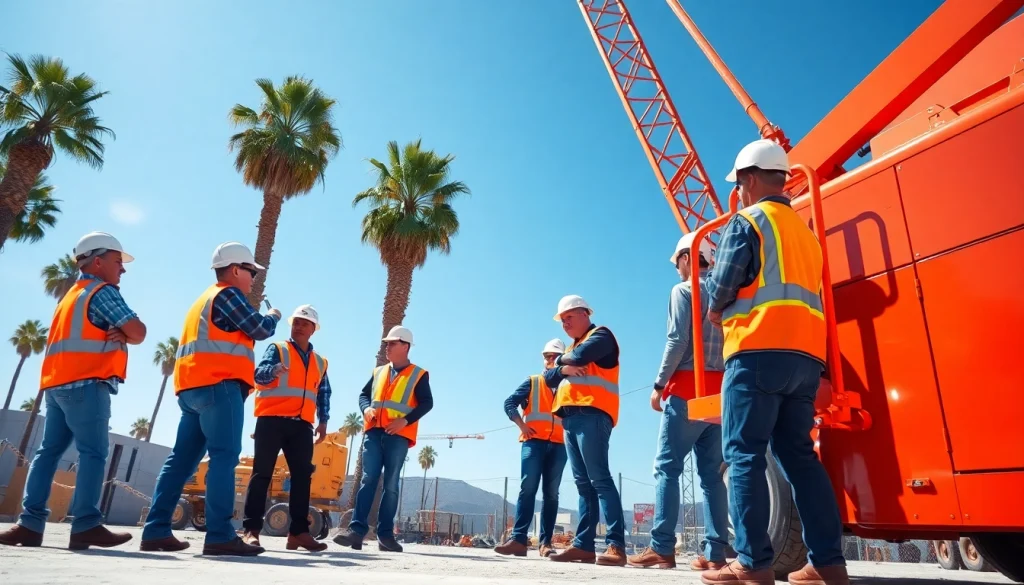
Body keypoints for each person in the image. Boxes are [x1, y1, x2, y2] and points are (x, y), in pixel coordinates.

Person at [700, 139, 847, 585]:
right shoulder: (806, 233)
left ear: (746, 180)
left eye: (739, 184)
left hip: (757, 351)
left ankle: (752, 564)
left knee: (743, 455)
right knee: (800, 457)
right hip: (805, 358)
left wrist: (713, 304)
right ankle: (828, 564)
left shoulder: (748, 221)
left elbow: (722, 285)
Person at [0, 232, 146, 550]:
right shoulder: (102, 291)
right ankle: (86, 525)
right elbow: (138, 332)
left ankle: (29, 525)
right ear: (97, 261)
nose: (122, 269)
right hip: (87, 383)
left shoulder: (70, 296)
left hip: (56, 385)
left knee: (47, 453)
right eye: (118, 261)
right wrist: (123, 331)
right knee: (93, 453)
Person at [140, 242, 281, 556]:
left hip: (192, 390)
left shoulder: (202, 301)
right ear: (234, 270)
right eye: (250, 271)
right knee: (224, 458)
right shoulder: (228, 295)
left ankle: (156, 530)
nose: (254, 279)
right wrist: (273, 316)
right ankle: (219, 535)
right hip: (220, 388)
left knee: (180, 463)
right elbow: (259, 328)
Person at [627, 232, 731, 570]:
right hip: (720, 392)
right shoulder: (726, 293)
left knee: (667, 469)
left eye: (676, 262)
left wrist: (659, 384)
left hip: (687, 389)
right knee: (713, 476)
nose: (676, 269)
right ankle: (716, 553)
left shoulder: (684, 290)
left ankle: (662, 547)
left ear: (688, 256)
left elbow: (677, 339)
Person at [332, 325, 433, 553]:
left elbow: (427, 403)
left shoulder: (418, 374)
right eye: (386, 343)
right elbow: (363, 395)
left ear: (405, 347)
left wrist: (404, 421)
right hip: (373, 433)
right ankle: (356, 532)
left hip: (397, 435)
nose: (387, 346)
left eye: (392, 343)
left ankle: (385, 536)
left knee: (391, 484)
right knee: (368, 479)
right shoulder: (379, 372)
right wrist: (366, 409)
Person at [241, 304, 332, 552]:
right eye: (296, 322)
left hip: (302, 425)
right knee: (262, 474)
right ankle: (251, 530)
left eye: (304, 323)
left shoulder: (320, 361)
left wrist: (323, 420)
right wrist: (273, 370)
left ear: (313, 330)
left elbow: (324, 391)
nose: (298, 326)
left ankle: (298, 533)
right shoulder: (277, 349)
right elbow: (258, 375)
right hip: (271, 420)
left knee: (302, 477)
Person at [545, 295, 627, 567]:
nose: (565, 323)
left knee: (600, 480)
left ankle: (616, 545)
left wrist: (561, 365)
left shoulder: (600, 336)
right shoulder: (573, 345)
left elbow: (578, 358)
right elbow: (547, 377)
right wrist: (563, 366)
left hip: (592, 413)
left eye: (569, 317)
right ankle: (583, 545)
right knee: (584, 485)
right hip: (571, 419)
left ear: (584, 313)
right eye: (562, 320)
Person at [493, 338, 569, 558]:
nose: (550, 360)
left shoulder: (569, 385)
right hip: (533, 443)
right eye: (547, 356)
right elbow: (509, 402)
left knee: (551, 494)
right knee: (528, 488)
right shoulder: (534, 382)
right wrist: (522, 425)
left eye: (554, 356)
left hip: (559, 444)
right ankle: (518, 539)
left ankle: (545, 544)